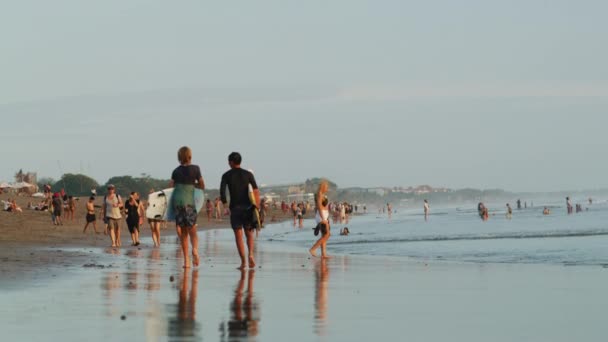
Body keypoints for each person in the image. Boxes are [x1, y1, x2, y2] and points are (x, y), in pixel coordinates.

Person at [221, 152, 260, 270]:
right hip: (248, 208)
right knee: (249, 235)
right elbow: (256, 190)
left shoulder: (226, 175)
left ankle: (243, 262)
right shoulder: (248, 174)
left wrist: (225, 206)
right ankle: (251, 255)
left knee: (238, 236)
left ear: (231, 162)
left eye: (229, 161)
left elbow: (222, 192)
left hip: (235, 209)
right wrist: (256, 206)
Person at [170, 146, 205, 269]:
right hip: (190, 203)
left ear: (179, 157)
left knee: (183, 233)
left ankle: (186, 261)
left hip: (178, 203)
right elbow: (202, 185)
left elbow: (170, 188)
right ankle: (194, 249)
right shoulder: (196, 169)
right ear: (190, 156)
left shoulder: (175, 171)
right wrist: (193, 184)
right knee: (192, 230)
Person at [309, 181, 331, 259]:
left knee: (324, 235)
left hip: (324, 216)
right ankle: (312, 249)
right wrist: (324, 218)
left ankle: (323, 254)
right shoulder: (319, 194)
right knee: (327, 235)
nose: (327, 188)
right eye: (327, 187)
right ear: (323, 187)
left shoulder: (322, 194)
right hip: (322, 216)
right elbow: (319, 206)